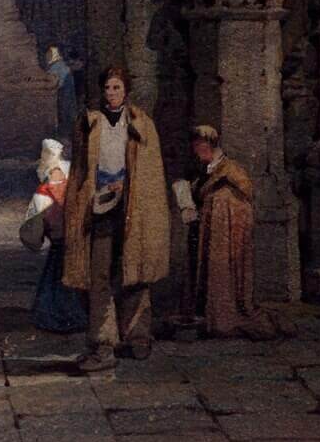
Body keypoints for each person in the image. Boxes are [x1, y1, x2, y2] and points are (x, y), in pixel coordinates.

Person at [63, 65, 170, 373]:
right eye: (108, 88)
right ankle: (103, 342)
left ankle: (137, 335)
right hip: (99, 208)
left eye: (117, 88)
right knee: (99, 275)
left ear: (126, 92)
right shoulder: (89, 122)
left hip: (132, 208)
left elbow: (149, 171)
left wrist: (127, 185)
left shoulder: (141, 123)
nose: (112, 94)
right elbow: (81, 170)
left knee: (135, 272)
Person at [179, 125, 278, 340]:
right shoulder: (204, 170)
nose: (198, 152)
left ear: (210, 146)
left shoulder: (231, 171)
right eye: (195, 147)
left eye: (201, 147)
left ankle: (223, 315)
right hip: (206, 232)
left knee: (222, 275)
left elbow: (241, 202)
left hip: (226, 238)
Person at [20, 139, 85, 334]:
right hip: (72, 242)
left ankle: (60, 316)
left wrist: (36, 240)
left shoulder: (44, 192)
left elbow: (31, 233)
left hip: (60, 244)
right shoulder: (73, 186)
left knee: (57, 283)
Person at [45, 44, 77, 149]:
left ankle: (64, 140)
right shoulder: (61, 65)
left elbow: (53, 83)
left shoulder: (56, 66)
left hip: (64, 94)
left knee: (64, 115)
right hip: (67, 94)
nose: (47, 57)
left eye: (49, 54)